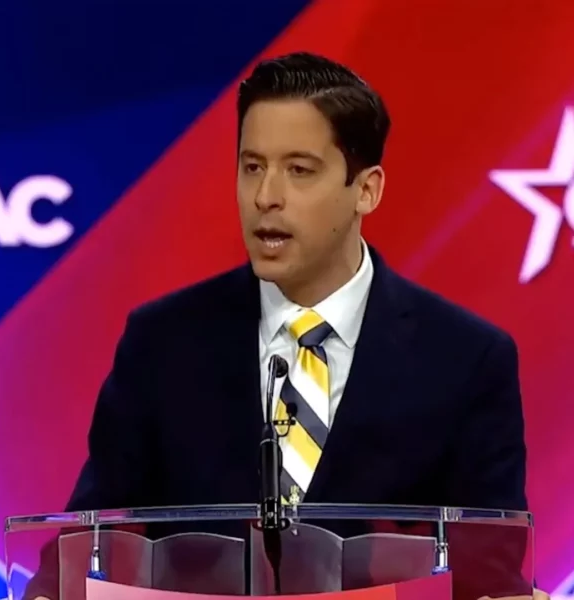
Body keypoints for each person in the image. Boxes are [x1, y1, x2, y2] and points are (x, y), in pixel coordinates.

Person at [30, 52, 548, 600]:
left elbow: (489, 573)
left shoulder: (465, 360)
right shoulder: (163, 344)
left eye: (299, 170)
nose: (265, 197)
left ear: (366, 190)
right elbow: (84, 544)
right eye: (253, 167)